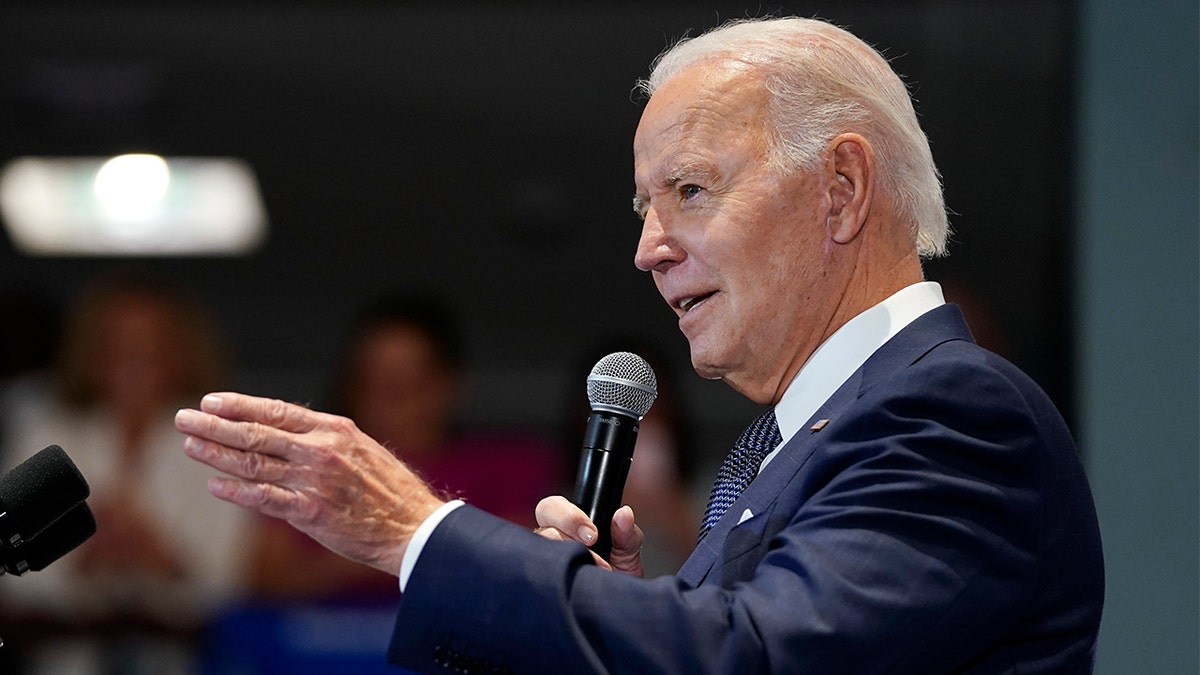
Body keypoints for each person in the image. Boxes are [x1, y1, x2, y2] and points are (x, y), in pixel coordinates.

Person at [174, 16, 1104, 674]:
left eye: (689, 190)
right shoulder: (806, 436)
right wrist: (615, 614)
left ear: (843, 188)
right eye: (644, 205)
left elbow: (753, 662)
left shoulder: (951, 408)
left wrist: (413, 529)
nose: (647, 246)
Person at [0, 270, 254, 675]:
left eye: (151, 347)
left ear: (183, 352)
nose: (133, 361)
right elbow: (10, 572)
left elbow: (234, 583)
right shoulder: (45, 432)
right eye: (115, 346)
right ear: (90, 352)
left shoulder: (220, 443)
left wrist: (162, 559)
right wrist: (83, 561)